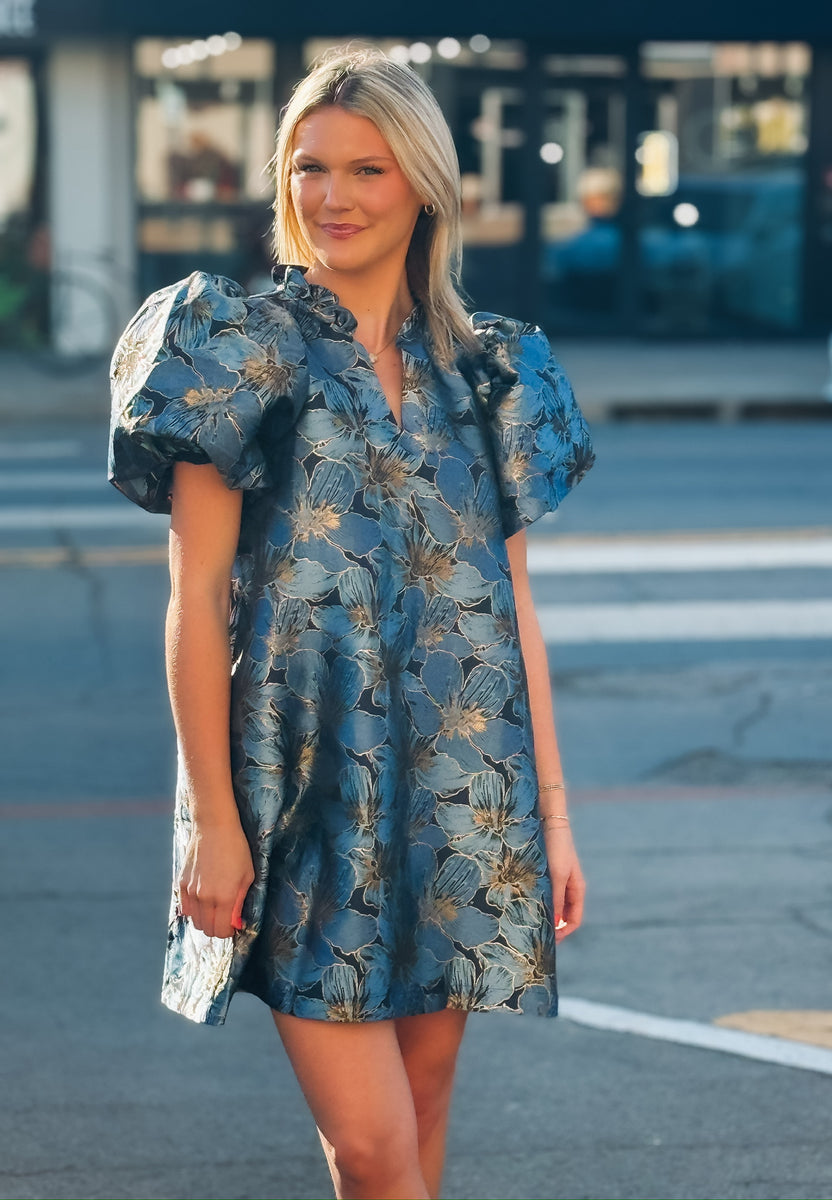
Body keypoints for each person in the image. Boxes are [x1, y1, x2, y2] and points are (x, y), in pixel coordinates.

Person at [108, 44, 594, 1200]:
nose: (332, 198)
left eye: (367, 170)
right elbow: (195, 603)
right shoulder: (232, 344)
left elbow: (511, 607)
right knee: (375, 1151)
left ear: (424, 183)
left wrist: (556, 820)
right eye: (309, 168)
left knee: (417, 1128)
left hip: (463, 793)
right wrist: (214, 824)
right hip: (301, 794)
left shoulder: (493, 372)